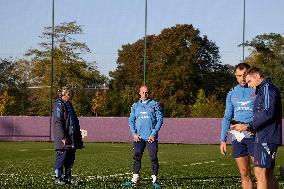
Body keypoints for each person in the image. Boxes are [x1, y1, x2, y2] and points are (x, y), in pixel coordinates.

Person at [233, 67, 282, 189]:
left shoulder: (267, 89)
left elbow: (267, 113)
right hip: (265, 136)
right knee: (268, 173)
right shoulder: (263, 90)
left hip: (267, 137)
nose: (248, 85)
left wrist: (249, 126)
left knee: (260, 173)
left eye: (249, 81)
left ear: (257, 77)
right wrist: (252, 129)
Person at [219, 63, 256, 189]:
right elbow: (227, 117)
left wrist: (253, 127)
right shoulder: (232, 93)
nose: (242, 78)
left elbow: (263, 113)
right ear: (235, 76)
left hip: (255, 136)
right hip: (238, 138)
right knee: (244, 173)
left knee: (260, 173)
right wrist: (223, 140)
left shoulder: (256, 89)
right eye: (239, 75)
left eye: (244, 75)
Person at [123, 86, 163, 188]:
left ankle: (154, 180)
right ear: (139, 93)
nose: (145, 94)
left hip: (151, 138)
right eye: (143, 92)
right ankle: (134, 180)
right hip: (139, 138)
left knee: (153, 157)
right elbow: (131, 121)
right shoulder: (135, 106)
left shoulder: (154, 104)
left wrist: (153, 134)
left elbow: (160, 120)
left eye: (146, 92)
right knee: (137, 156)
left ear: (148, 93)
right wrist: (134, 134)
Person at [52, 86, 83, 185]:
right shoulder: (59, 104)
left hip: (72, 137)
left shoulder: (69, 104)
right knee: (62, 157)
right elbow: (58, 121)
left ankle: (67, 177)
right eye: (70, 93)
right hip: (64, 137)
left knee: (70, 158)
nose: (71, 95)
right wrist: (62, 137)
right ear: (64, 94)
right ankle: (58, 178)